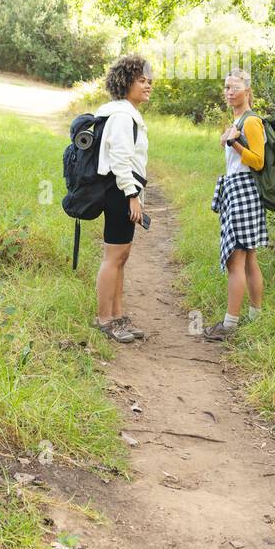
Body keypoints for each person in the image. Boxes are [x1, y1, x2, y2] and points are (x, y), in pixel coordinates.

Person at [203, 67, 268, 342]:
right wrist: (230, 139)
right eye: (227, 87)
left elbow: (259, 161)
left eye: (235, 87)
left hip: (244, 190)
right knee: (248, 258)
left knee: (236, 261)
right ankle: (256, 320)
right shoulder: (238, 120)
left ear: (248, 91)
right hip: (237, 190)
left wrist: (235, 144)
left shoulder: (251, 122)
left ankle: (229, 326)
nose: (229, 92)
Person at [93, 54, 152, 344]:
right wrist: (132, 195)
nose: (147, 86)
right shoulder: (120, 116)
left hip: (125, 190)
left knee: (122, 256)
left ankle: (118, 315)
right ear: (125, 81)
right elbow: (120, 159)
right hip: (119, 191)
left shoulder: (127, 113)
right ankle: (105, 320)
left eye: (149, 81)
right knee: (114, 256)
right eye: (141, 80)